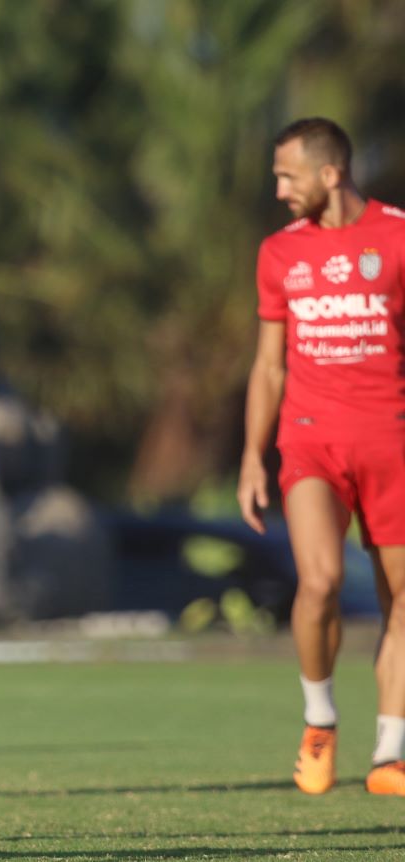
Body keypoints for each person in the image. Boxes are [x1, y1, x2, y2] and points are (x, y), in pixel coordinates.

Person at [239, 117, 405, 796]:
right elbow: (269, 366)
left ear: (330, 174)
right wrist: (252, 456)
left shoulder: (398, 237)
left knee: (402, 599)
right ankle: (319, 720)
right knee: (319, 583)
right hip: (310, 440)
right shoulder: (279, 253)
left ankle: (391, 753)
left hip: (392, 441)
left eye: (288, 176)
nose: (279, 190)